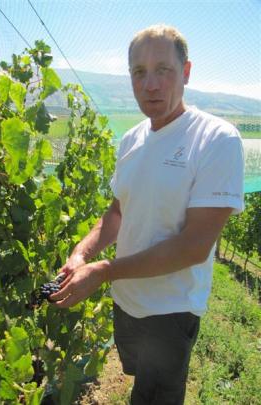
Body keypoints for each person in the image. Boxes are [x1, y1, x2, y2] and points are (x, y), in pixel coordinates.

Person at [51, 24, 244, 405]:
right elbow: (118, 211)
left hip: (170, 312)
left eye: (163, 70)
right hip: (126, 302)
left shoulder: (216, 139)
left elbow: (194, 246)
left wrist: (105, 271)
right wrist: (82, 253)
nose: (150, 84)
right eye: (139, 72)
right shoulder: (132, 139)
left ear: (186, 72)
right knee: (140, 379)